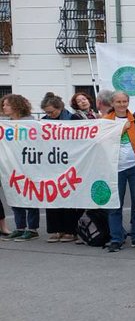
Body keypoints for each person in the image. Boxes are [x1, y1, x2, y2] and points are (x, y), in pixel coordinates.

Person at [102, 92, 135, 251]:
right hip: (114, 168)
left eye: (124, 101)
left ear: (128, 102)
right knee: (114, 205)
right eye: (118, 101)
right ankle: (116, 238)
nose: (122, 104)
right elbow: (101, 140)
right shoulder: (105, 121)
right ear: (112, 103)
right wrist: (122, 129)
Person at [40, 93, 84, 244]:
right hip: (52, 163)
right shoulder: (44, 121)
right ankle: (56, 229)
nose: (49, 115)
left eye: (52, 112)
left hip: (69, 163)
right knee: (52, 196)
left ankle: (70, 230)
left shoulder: (73, 119)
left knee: (68, 197)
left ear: (60, 108)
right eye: (47, 112)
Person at [0, 95, 40, 242]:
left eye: (7, 105)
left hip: (28, 165)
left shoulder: (30, 123)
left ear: (16, 106)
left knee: (30, 195)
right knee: (15, 196)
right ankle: (20, 227)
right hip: (11, 167)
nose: (4, 107)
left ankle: (32, 229)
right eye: (3, 105)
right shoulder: (6, 124)